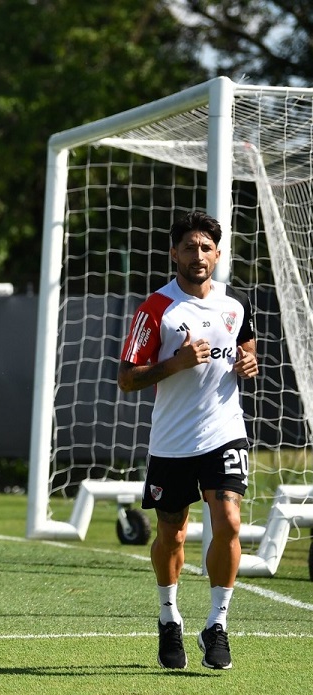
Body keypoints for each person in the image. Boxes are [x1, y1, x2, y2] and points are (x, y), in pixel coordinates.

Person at [118, 210, 258, 671]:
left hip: (225, 431)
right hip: (173, 442)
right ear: (173, 253)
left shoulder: (234, 305)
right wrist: (174, 364)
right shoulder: (155, 309)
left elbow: (246, 343)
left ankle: (217, 625)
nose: (198, 255)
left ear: (218, 254)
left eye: (206, 248)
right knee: (171, 534)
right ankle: (168, 616)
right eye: (189, 247)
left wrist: (247, 364)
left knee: (230, 521)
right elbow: (127, 379)